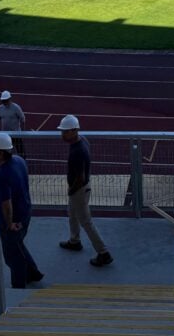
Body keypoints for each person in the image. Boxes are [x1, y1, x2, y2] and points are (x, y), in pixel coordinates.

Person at [0, 132, 43, 289]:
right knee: (18, 245)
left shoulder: (2, 176)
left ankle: (18, 286)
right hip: (25, 214)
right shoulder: (19, 161)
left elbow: (6, 204)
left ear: (1, 153)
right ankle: (33, 273)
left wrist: (9, 223)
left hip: (13, 222)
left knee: (12, 256)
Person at [56, 114, 113, 267]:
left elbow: (80, 177)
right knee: (72, 213)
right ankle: (74, 240)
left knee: (86, 222)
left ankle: (103, 252)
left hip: (79, 190)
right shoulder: (83, 141)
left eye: (65, 131)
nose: (62, 134)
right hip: (81, 189)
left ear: (74, 131)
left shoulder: (77, 151)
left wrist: (71, 190)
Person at [0, 90, 27, 157]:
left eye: (5, 100)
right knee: (5, 153)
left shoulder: (16, 108)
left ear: (9, 99)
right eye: (3, 100)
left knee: (21, 152)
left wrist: (23, 132)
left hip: (16, 134)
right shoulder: (0, 108)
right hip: (5, 135)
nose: (4, 102)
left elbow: (23, 119)